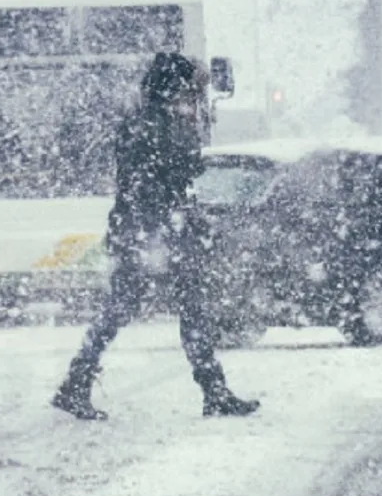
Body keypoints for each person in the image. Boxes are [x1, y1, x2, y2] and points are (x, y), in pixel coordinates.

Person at [51, 52, 260, 420]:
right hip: (152, 233)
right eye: (190, 90)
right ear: (174, 88)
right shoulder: (154, 125)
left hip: (149, 231)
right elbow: (164, 177)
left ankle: (78, 382)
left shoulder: (150, 121)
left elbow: (167, 175)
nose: (194, 97)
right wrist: (162, 228)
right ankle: (212, 391)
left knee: (149, 308)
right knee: (158, 309)